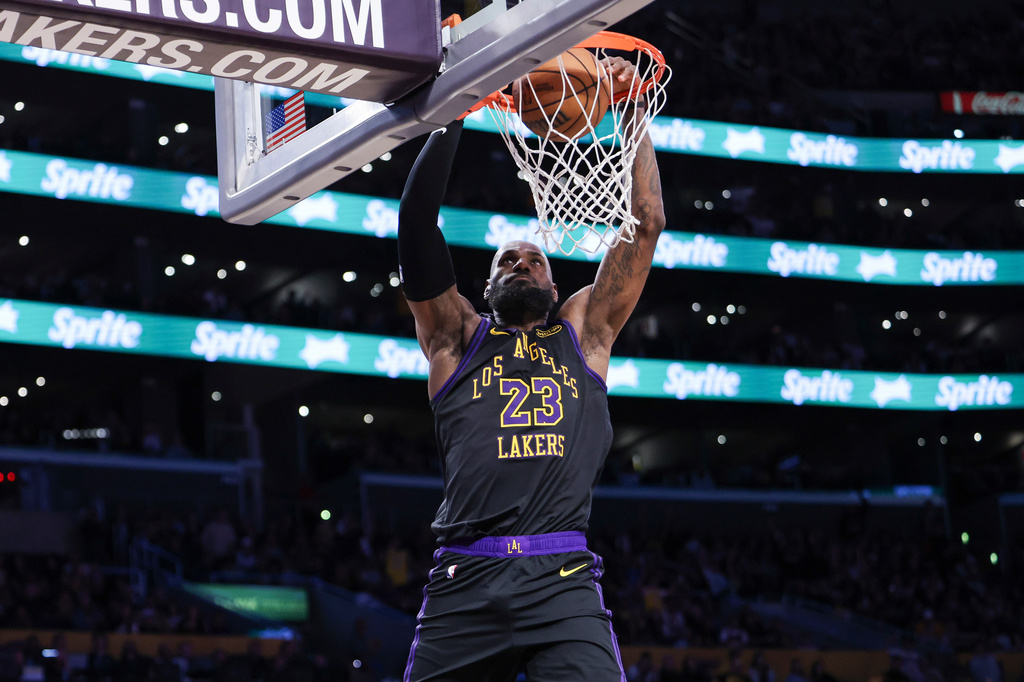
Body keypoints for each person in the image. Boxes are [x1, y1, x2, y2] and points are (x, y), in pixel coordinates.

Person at [398, 55, 666, 681]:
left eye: (535, 260)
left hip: (562, 579)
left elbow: (647, 222)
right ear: (486, 288)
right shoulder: (455, 339)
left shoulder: (584, 333)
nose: (521, 262)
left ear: (555, 287)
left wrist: (630, 111)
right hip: (465, 575)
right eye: (506, 260)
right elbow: (415, 222)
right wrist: (456, 107)